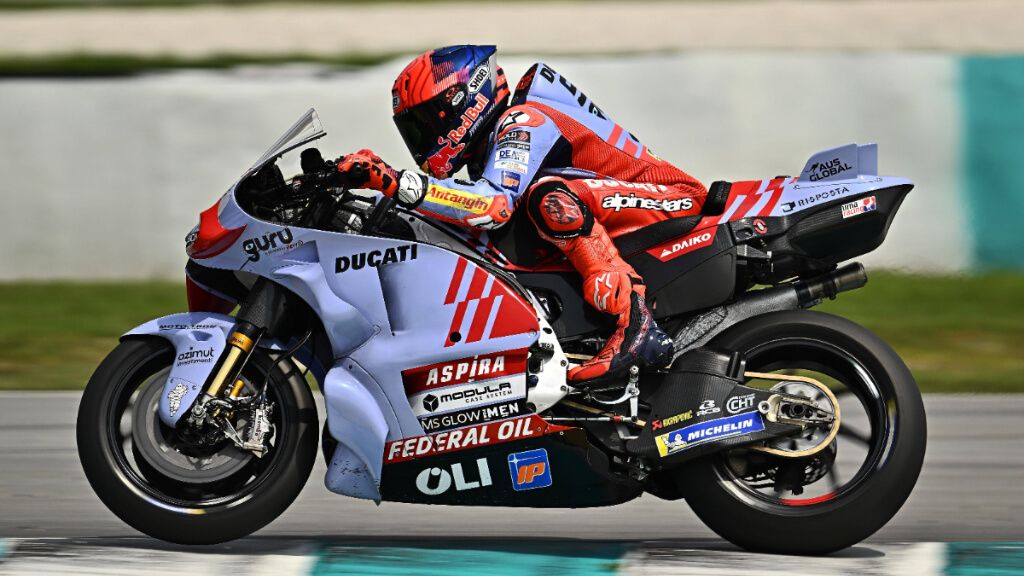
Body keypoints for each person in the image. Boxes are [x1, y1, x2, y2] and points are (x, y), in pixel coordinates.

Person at [336, 45, 708, 383]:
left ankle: (635, 323)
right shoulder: (495, 143)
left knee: (548, 198)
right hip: (619, 206)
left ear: (464, 100)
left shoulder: (523, 120)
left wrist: (395, 182)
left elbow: (492, 206)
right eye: (415, 130)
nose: (425, 137)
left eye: (428, 122)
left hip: (676, 198)